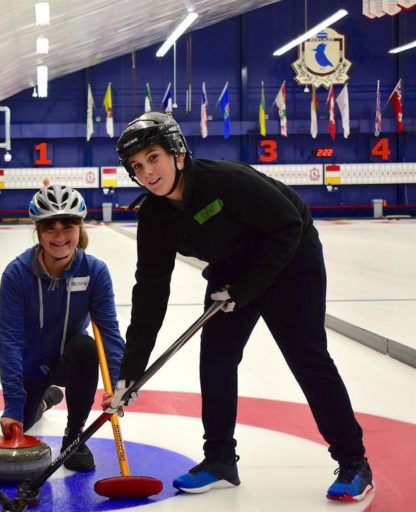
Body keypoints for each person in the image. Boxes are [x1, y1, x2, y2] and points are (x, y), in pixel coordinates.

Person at [103, 112, 373, 502]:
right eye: (137, 166)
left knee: (307, 358)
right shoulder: (154, 215)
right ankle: (219, 461)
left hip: (290, 261)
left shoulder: (224, 180)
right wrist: (130, 370)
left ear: (177, 152)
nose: (147, 172)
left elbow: (288, 226)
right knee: (215, 358)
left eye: (153, 157)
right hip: (230, 272)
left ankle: (354, 462)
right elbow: (150, 290)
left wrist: (245, 291)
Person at [0, 185, 125, 471]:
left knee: (86, 347)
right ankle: (45, 400)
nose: (59, 237)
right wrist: (13, 406)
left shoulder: (94, 271)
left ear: (79, 228)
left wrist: (117, 382)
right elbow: (9, 342)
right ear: (38, 231)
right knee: (24, 421)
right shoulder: (16, 274)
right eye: (50, 228)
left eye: (68, 227)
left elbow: (109, 332)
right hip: (30, 366)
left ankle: (73, 436)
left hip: (69, 360)